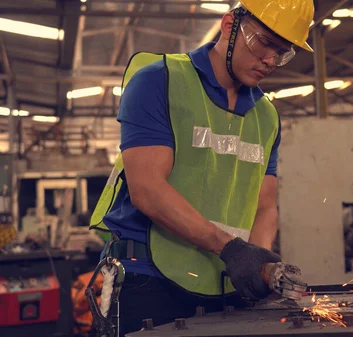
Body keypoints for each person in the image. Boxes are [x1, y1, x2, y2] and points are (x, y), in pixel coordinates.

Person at [88, 0, 314, 335]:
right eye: (264, 43)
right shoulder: (159, 81)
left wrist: (260, 265)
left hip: (224, 281)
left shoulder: (267, 116)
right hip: (147, 278)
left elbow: (265, 205)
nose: (270, 60)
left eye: (283, 53)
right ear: (229, 26)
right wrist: (233, 249)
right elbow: (147, 189)